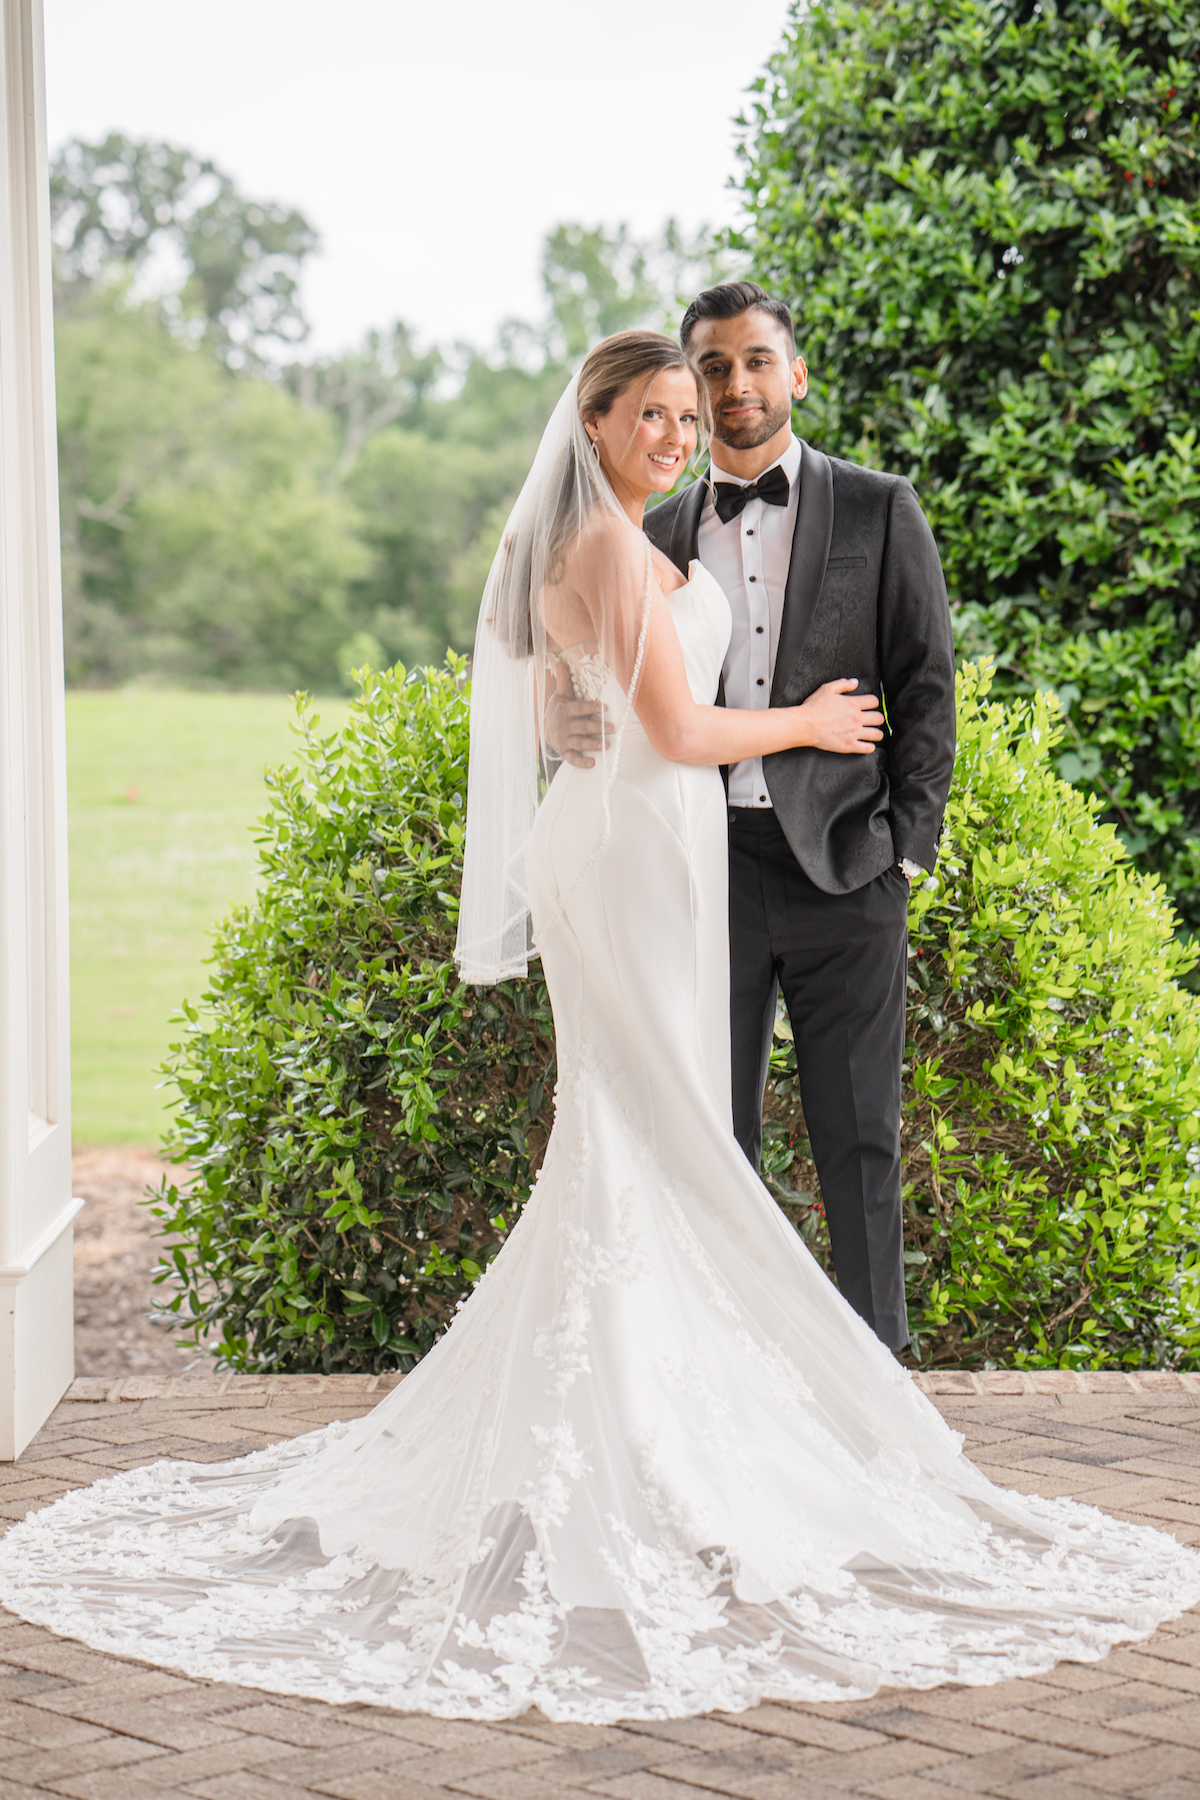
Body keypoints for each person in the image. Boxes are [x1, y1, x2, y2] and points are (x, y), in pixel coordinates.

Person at [1, 333, 1197, 1727]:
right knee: (657, 1126)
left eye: (690, 414)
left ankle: (654, 1415)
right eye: (655, 415)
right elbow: (682, 732)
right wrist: (806, 719)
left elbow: (555, 695)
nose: (680, 434)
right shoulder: (616, 547)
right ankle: (657, 1436)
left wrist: (577, 715)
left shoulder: (592, 539)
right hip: (634, 850)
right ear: (597, 422)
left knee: (635, 1130)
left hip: (632, 840)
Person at [555, 282, 955, 1356]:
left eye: (756, 361)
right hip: (699, 872)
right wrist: (559, 711)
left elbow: (927, 686)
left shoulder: (879, 508)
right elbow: (590, 666)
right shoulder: (651, 520)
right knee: (709, 1139)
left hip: (847, 871)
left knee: (861, 1140)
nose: (735, 385)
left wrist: (905, 854)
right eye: (713, 368)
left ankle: (878, 1383)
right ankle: (726, 1380)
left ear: (796, 374)